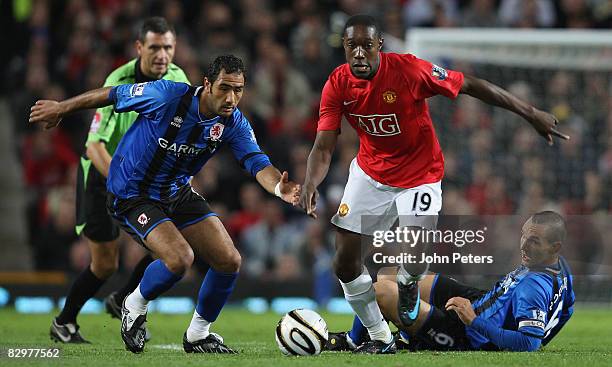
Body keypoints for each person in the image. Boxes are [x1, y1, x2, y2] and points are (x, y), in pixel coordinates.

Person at [299, 14, 569, 354]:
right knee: (344, 262)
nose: (359, 54)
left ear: (379, 46)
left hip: (420, 176)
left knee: (411, 260)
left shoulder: (409, 71)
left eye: (367, 46)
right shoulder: (337, 84)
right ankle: (380, 337)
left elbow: (470, 84)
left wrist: (531, 113)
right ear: (344, 47)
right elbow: (323, 146)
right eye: (352, 46)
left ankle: (409, 283)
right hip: (369, 174)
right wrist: (310, 183)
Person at [30, 55, 301, 354]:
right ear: (207, 84)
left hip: (176, 192)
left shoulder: (233, 121)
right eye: (224, 88)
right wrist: (60, 108)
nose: (231, 97)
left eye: (238, 90)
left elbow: (255, 160)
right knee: (179, 258)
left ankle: (199, 334)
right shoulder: (167, 95)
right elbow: (111, 94)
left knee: (229, 261)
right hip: (132, 193)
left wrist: (278, 186)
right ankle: (133, 304)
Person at [50, 17, 190, 344]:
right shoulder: (119, 79)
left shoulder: (177, 78)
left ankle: (121, 299)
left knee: (169, 248)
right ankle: (64, 322)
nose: (162, 54)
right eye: (154, 47)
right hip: (103, 175)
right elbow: (94, 145)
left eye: (168, 47)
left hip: (146, 179)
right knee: (105, 264)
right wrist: (122, 180)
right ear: (139, 48)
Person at [371, 211, 574, 352]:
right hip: (481, 299)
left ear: (555, 247)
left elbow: (529, 343)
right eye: (524, 235)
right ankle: (393, 334)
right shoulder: (561, 267)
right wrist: (545, 329)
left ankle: (376, 339)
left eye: (534, 241)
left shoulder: (533, 287)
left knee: (382, 291)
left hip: (468, 334)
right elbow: (567, 309)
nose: (524, 245)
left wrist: (473, 321)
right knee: (388, 274)